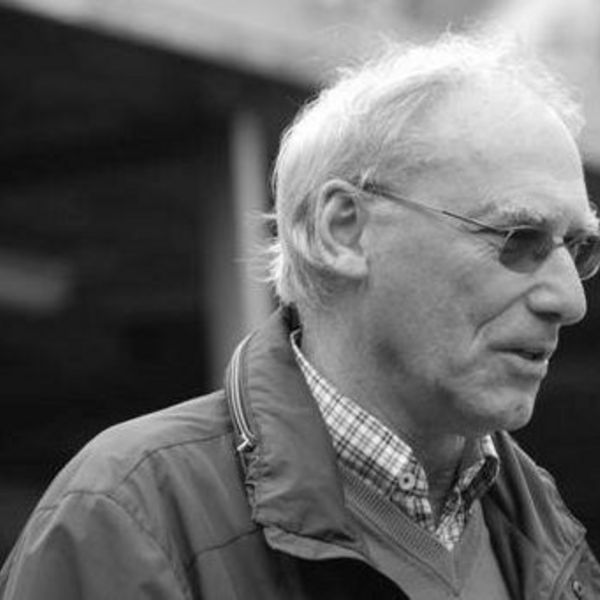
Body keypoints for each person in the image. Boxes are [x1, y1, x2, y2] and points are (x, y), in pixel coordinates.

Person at [2, 30, 600, 600]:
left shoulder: (544, 530)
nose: (570, 301)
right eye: (518, 238)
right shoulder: (129, 517)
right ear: (344, 230)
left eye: (579, 248)